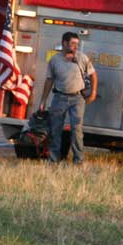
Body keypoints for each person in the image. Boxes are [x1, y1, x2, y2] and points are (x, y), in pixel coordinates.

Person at [38, 32, 97, 165]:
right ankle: (53, 160)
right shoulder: (54, 60)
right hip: (59, 97)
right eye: (73, 43)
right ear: (64, 43)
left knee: (76, 130)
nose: (76, 46)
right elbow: (49, 80)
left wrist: (93, 93)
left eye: (77, 44)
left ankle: (78, 161)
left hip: (78, 98)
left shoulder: (82, 58)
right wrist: (43, 100)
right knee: (55, 129)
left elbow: (93, 75)